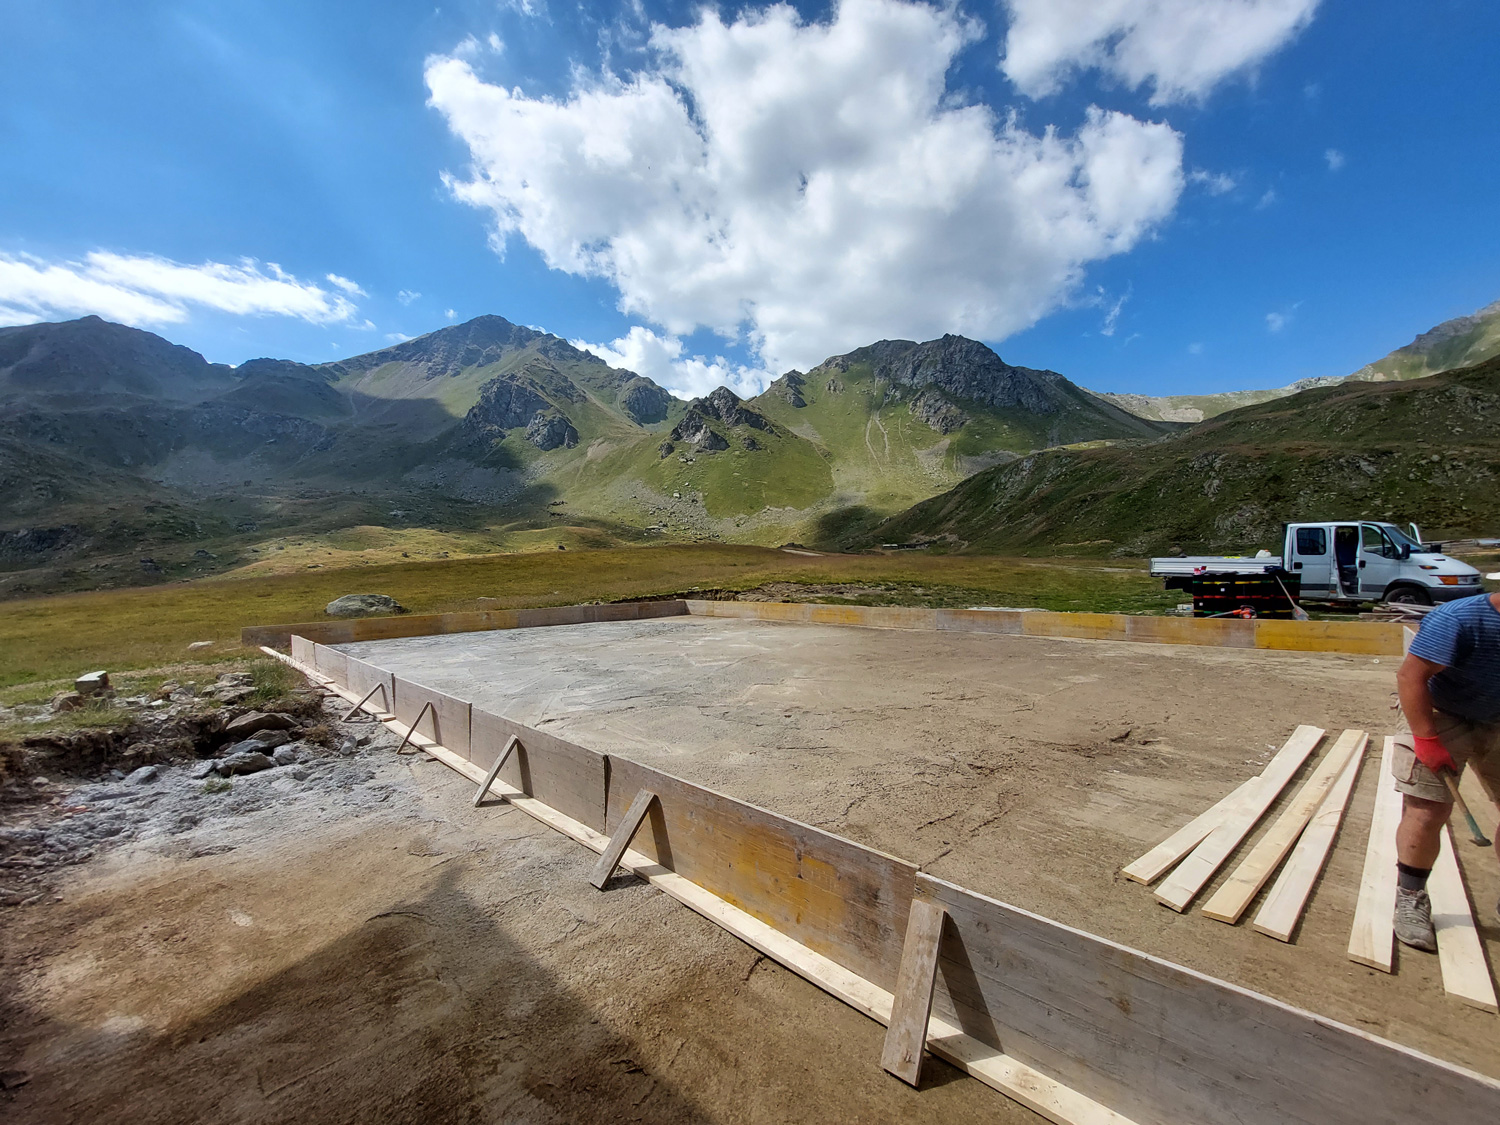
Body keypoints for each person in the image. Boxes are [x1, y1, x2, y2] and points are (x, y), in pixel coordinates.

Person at [1391, 589, 1500, 951]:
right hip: (1443, 713)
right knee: (1428, 808)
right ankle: (1411, 897)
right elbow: (1410, 677)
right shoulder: (1459, 619)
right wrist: (1427, 740)